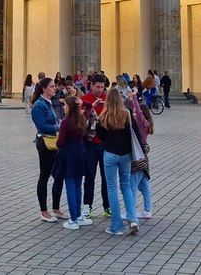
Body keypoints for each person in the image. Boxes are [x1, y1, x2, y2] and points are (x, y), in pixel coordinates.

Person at [96, 87, 139, 236]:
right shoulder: (127, 114)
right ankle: (133, 220)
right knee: (126, 186)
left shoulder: (103, 117)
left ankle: (116, 226)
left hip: (109, 154)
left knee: (112, 188)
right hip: (125, 155)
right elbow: (135, 134)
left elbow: (100, 136)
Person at [31, 77, 66, 222]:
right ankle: (44, 211)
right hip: (45, 142)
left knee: (58, 175)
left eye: (54, 86)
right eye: (51, 86)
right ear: (44, 88)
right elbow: (41, 125)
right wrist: (59, 127)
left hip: (53, 141)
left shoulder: (50, 103)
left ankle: (56, 208)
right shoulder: (39, 105)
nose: (54, 88)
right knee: (44, 176)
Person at [56, 96, 92, 230]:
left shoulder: (65, 122)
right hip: (80, 153)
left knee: (70, 186)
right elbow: (89, 107)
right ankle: (78, 215)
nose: (63, 107)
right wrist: (83, 102)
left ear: (70, 107)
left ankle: (73, 219)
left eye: (65, 105)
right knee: (78, 186)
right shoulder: (82, 119)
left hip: (68, 155)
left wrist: (58, 140)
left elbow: (60, 142)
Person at [80, 74, 110, 220]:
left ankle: (107, 206)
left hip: (105, 144)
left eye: (102, 87)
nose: (100, 90)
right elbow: (81, 120)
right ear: (91, 85)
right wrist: (92, 107)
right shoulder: (85, 99)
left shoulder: (107, 99)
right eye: (97, 87)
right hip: (90, 144)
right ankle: (87, 206)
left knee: (107, 177)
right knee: (90, 175)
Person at [131, 103, 155, 219]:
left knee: (132, 185)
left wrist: (133, 98)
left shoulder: (141, 123)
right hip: (144, 156)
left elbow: (138, 113)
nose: (135, 114)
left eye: (137, 112)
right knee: (144, 185)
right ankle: (147, 210)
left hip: (138, 155)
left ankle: (131, 212)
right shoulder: (146, 124)